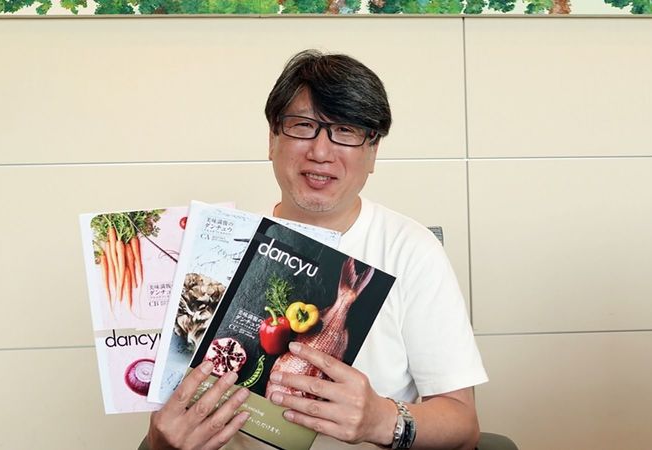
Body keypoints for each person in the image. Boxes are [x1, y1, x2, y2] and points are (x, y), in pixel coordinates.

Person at [142, 49, 487, 450]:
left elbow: (463, 426)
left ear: (372, 151)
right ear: (272, 139)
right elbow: (168, 418)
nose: (321, 152)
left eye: (345, 130)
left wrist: (380, 419)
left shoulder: (412, 249)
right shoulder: (213, 252)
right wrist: (162, 443)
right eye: (303, 126)